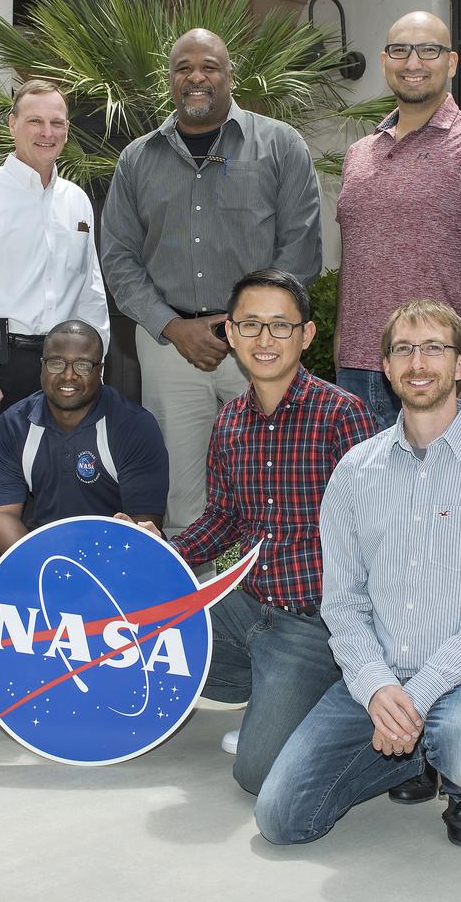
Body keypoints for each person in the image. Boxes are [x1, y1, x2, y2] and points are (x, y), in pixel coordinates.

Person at [255, 299, 461, 848]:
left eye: (434, 348)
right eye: (404, 350)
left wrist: (421, 692)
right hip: (381, 676)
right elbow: (343, 604)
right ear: (386, 368)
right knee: (282, 819)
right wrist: (376, 686)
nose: (418, 363)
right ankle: (411, 757)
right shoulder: (354, 471)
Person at [130, 269, 377, 795]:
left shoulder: (341, 415)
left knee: (256, 774)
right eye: (250, 325)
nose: (265, 339)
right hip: (247, 606)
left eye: (280, 326)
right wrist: (162, 552)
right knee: (137, 630)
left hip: (314, 624)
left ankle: (337, 698)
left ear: (306, 335)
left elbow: (377, 531)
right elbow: (224, 518)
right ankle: (277, 695)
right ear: (231, 334)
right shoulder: (231, 422)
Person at [100, 28, 322, 538]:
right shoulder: (136, 159)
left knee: (276, 485)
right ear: (170, 79)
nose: (195, 77)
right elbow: (118, 258)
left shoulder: (280, 145)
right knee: (181, 499)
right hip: (169, 346)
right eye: (183, 68)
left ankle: (269, 585)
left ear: (229, 75)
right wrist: (172, 327)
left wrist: (244, 326)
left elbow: (301, 247)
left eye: (209, 67)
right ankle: (194, 589)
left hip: (262, 342)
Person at [0, 80, 110, 675]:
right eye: (35, 121)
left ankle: (34, 636)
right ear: (12, 125)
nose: (47, 132)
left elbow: (91, 289)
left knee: (47, 497)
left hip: (59, 367)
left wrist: (94, 363)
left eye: (57, 122)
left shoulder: (77, 201)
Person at [0, 320, 168, 648]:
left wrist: (88, 579)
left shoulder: (133, 425)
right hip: (42, 548)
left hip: (111, 556)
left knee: (144, 597)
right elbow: (3, 515)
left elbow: (144, 525)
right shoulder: (14, 425)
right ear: (41, 366)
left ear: (100, 370)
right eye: (56, 363)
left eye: (83, 365)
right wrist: (45, 570)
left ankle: (97, 649)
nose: (68, 376)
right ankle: (40, 653)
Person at [334, 12, 461, 426]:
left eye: (428, 50)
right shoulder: (359, 155)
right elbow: (353, 259)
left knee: (446, 475)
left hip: (439, 372)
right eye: (400, 50)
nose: (413, 62)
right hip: (357, 376)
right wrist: (341, 350)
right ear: (384, 61)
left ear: (451, 62)